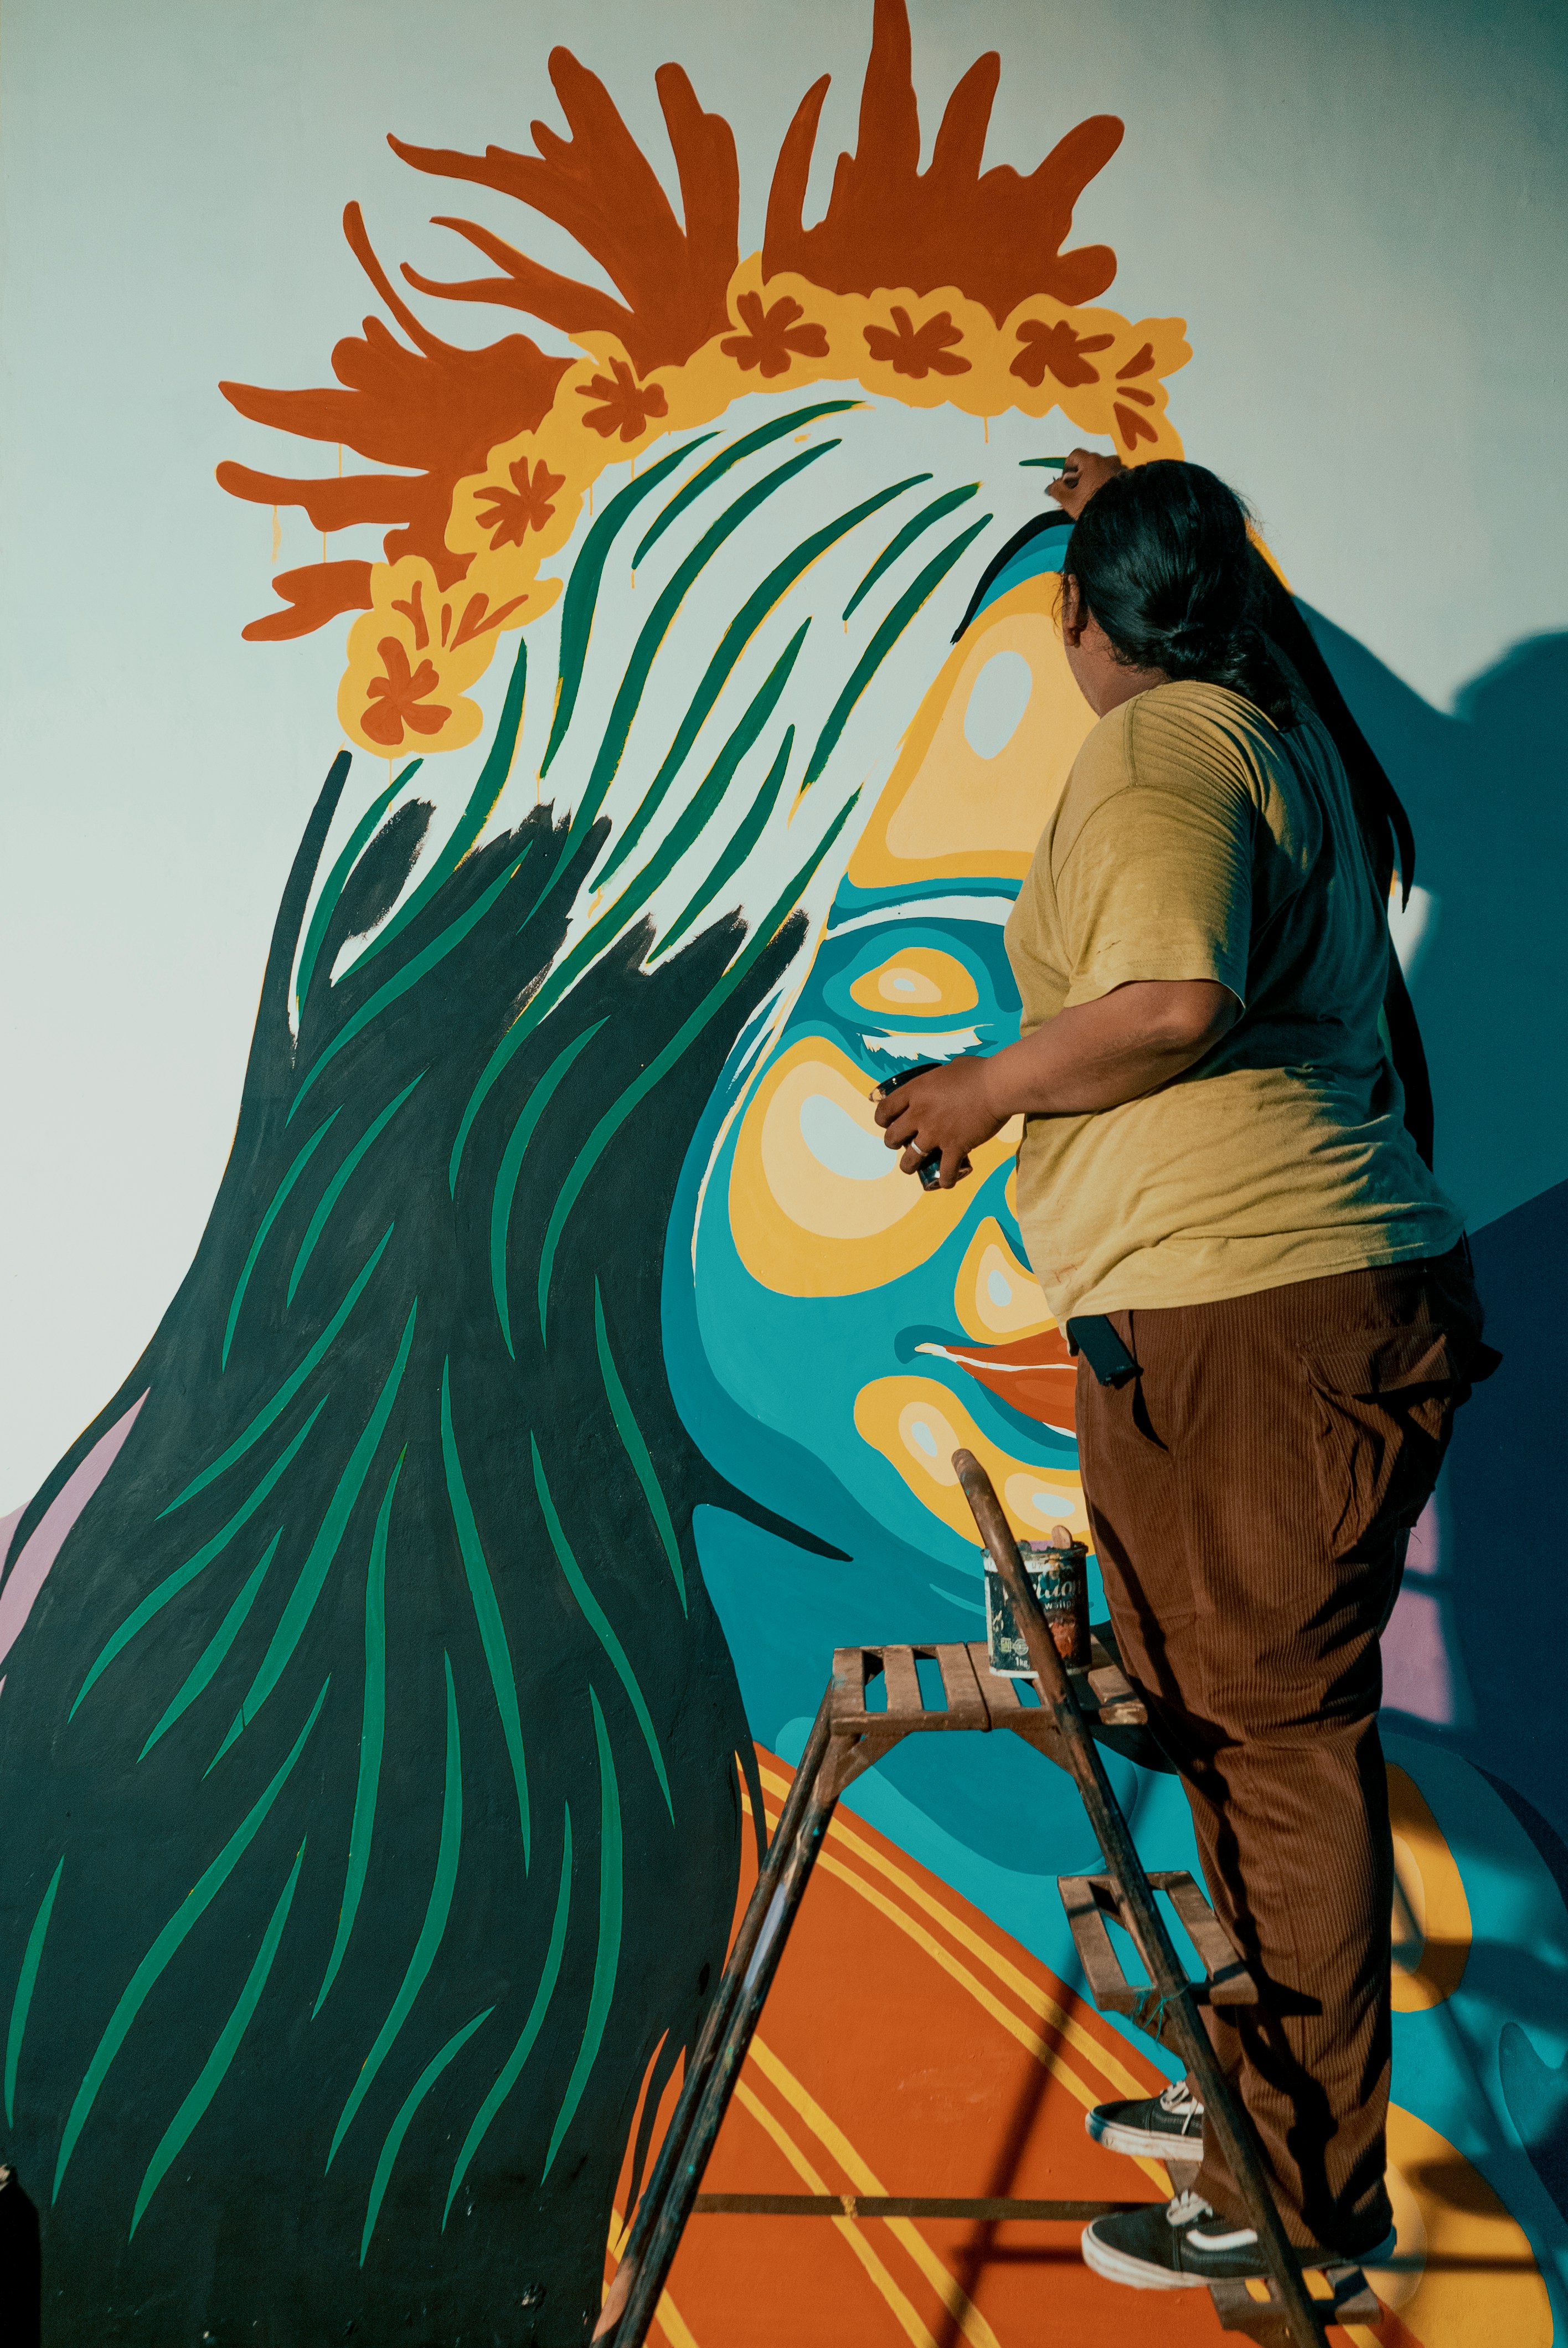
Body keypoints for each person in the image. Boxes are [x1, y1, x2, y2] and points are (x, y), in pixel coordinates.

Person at [873, 451, 1498, 2290]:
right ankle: (1260, 2102)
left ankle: (1297, 2190)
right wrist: (1140, 519)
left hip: (1254, 1313)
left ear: (1081, 617)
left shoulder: (1161, 749)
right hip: (1274, 1307)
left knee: (1270, 1741)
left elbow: (1170, 1001)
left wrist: (980, 1092)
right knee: (1228, 1713)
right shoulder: (1271, 722)